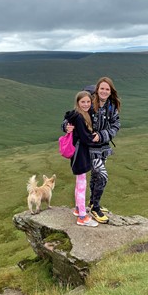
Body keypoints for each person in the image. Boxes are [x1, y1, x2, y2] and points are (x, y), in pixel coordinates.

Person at [64, 77, 121, 224]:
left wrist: (102, 135)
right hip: (88, 147)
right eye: (101, 88)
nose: (104, 91)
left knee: (96, 176)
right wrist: (66, 126)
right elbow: (74, 114)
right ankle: (95, 208)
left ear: (110, 91)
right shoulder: (89, 101)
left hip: (103, 147)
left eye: (107, 89)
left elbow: (116, 125)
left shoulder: (111, 106)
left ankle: (91, 202)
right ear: (97, 89)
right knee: (102, 176)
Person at [63, 91, 99, 227]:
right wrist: (94, 138)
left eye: (88, 102)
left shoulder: (81, 114)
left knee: (79, 182)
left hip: (78, 152)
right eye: (82, 102)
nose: (86, 104)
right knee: (82, 183)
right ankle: (82, 217)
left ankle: (78, 209)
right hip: (80, 153)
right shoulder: (79, 117)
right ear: (77, 103)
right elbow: (84, 137)